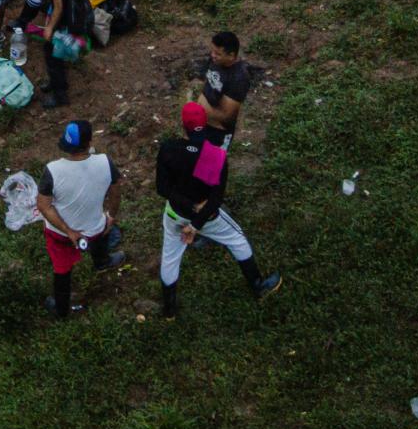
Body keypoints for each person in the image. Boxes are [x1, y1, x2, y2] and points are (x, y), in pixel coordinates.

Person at [153, 101, 280, 316]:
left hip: (175, 214)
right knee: (237, 239)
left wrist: (187, 206)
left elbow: (162, 188)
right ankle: (258, 285)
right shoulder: (215, 155)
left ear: (183, 125)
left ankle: (169, 311)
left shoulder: (168, 149)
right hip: (206, 216)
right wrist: (195, 225)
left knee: (170, 257)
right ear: (205, 123)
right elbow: (215, 199)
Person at [38, 119, 123, 317]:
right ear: (90, 142)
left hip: (62, 235)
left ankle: (62, 309)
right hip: (95, 229)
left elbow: (43, 206)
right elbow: (116, 191)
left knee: (62, 269)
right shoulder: (105, 162)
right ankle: (102, 262)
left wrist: (69, 231)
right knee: (103, 229)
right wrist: (111, 216)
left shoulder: (52, 170)